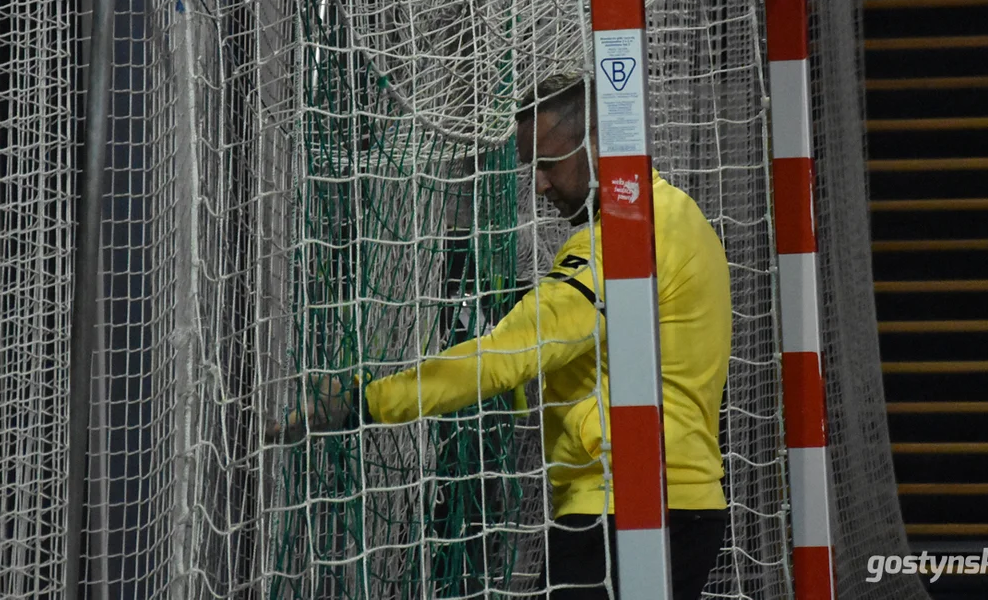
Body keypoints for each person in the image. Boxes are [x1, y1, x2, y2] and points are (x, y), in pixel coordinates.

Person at [266, 74, 732, 599]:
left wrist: (363, 403)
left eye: (549, 163)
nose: (538, 186)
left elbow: (510, 354)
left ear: (601, 143)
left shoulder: (619, 245)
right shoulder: (682, 218)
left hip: (628, 510)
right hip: (685, 509)